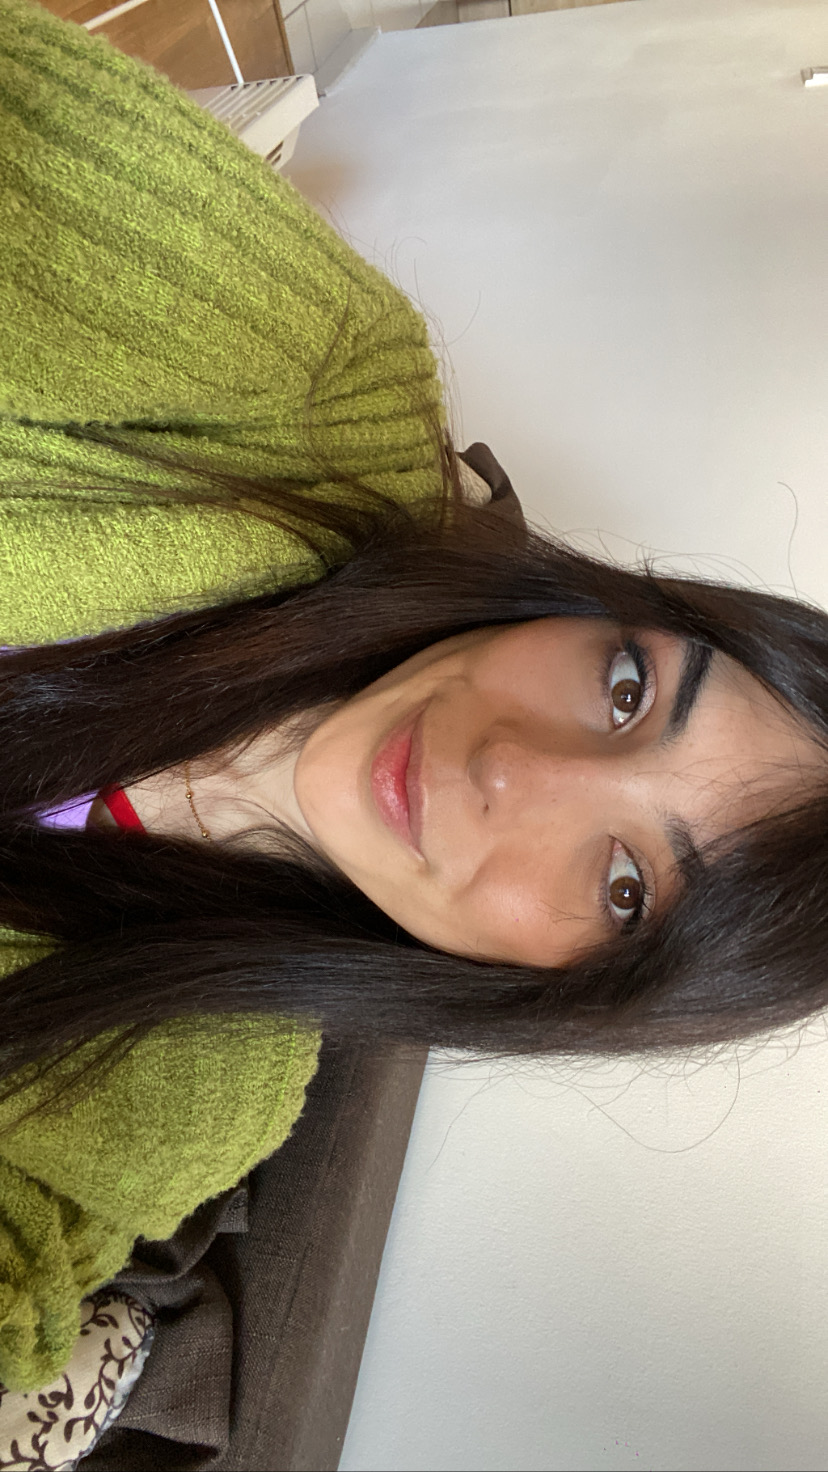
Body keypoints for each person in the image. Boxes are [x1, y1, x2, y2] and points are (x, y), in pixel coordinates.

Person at [1, 0, 827, 1395]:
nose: (514, 772)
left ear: (568, 992)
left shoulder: (185, 1101)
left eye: (625, 886)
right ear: (600, 608)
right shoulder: (314, 386)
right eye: (628, 689)